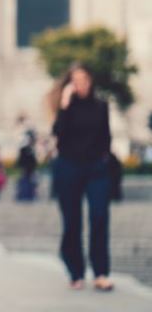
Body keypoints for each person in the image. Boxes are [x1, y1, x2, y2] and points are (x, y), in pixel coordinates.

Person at [49, 63, 114, 291]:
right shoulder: (66, 109)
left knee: (99, 217)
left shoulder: (101, 106)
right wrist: (65, 105)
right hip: (69, 167)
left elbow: (107, 136)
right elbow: (58, 134)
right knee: (72, 222)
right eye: (75, 81)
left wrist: (104, 160)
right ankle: (75, 272)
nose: (81, 85)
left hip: (96, 169)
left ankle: (101, 272)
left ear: (91, 80)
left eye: (84, 79)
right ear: (69, 85)